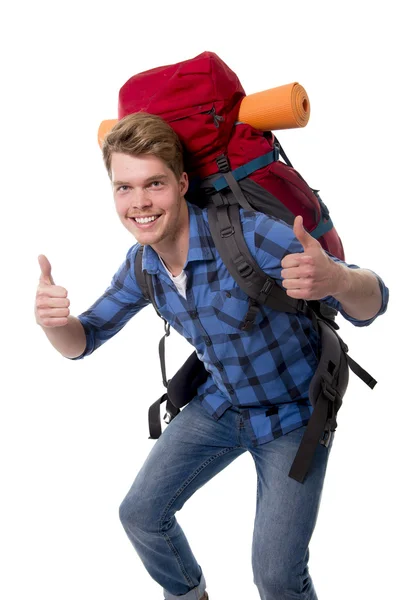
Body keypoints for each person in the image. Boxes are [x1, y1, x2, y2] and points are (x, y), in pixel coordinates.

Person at [35, 112, 389, 600]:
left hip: (295, 417)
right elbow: (85, 339)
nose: (139, 203)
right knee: (141, 515)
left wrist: (338, 280)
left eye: (154, 184)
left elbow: (375, 301)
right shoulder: (143, 265)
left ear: (181, 183)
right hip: (220, 406)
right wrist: (56, 326)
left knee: (277, 578)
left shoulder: (248, 236)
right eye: (124, 188)